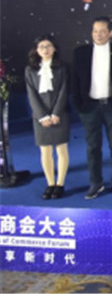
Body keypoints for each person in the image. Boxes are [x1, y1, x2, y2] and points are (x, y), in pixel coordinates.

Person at [72, 17, 112, 199]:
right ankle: (95, 183)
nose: (98, 34)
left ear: (111, 33)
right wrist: (79, 105)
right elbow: (74, 81)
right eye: (95, 31)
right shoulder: (80, 53)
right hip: (90, 107)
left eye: (102, 31)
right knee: (93, 147)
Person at [26, 35, 70, 200]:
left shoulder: (62, 68)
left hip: (60, 114)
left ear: (55, 48)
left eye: (48, 46)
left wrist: (56, 113)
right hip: (40, 117)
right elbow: (31, 94)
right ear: (36, 50)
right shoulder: (30, 70)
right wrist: (42, 116)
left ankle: (60, 184)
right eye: (41, 47)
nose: (45, 49)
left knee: (61, 149)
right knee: (45, 151)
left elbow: (64, 91)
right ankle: (50, 183)